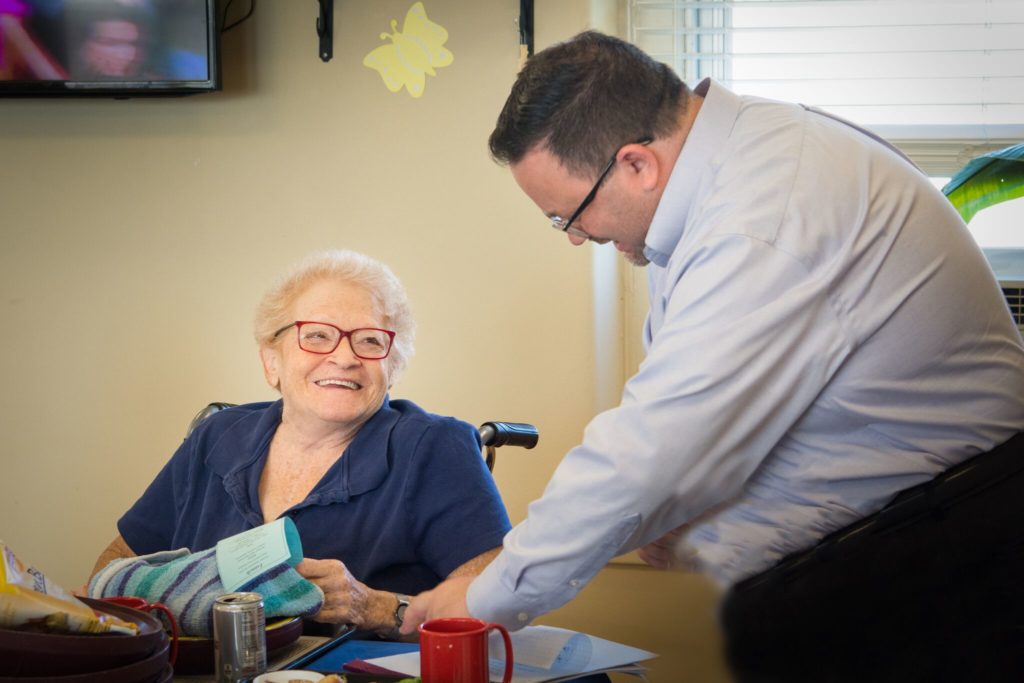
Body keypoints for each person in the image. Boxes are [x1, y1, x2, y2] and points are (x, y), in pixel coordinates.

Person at [401, 30, 1024, 679]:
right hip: (876, 559)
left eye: (571, 217)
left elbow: (648, 452)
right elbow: (683, 428)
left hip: (952, 564)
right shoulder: (725, 175)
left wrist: (482, 601)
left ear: (638, 164)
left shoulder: (764, 216)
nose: (576, 238)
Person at [88, 249, 511, 638]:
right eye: (317, 335)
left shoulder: (435, 448)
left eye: (369, 340)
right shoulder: (217, 437)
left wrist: (374, 607)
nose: (344, 357)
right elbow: (112, 572)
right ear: (271, 361)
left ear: (392, 366)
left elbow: (499, 605)